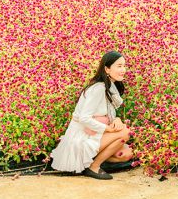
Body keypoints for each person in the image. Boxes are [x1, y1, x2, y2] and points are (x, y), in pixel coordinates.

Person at [49, 51, 133, 180]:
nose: (123, 70)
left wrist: (116, 119)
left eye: (124, 66)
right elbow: (84, 118)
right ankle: (94, 166)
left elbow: (105, 112)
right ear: (107, 69)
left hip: (94, 133)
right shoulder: (98, 88)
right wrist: (108, 129)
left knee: (126, 154)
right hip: (83, 136)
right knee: (125, 133)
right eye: (119, 66)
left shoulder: (109, 86)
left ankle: (85, 161)